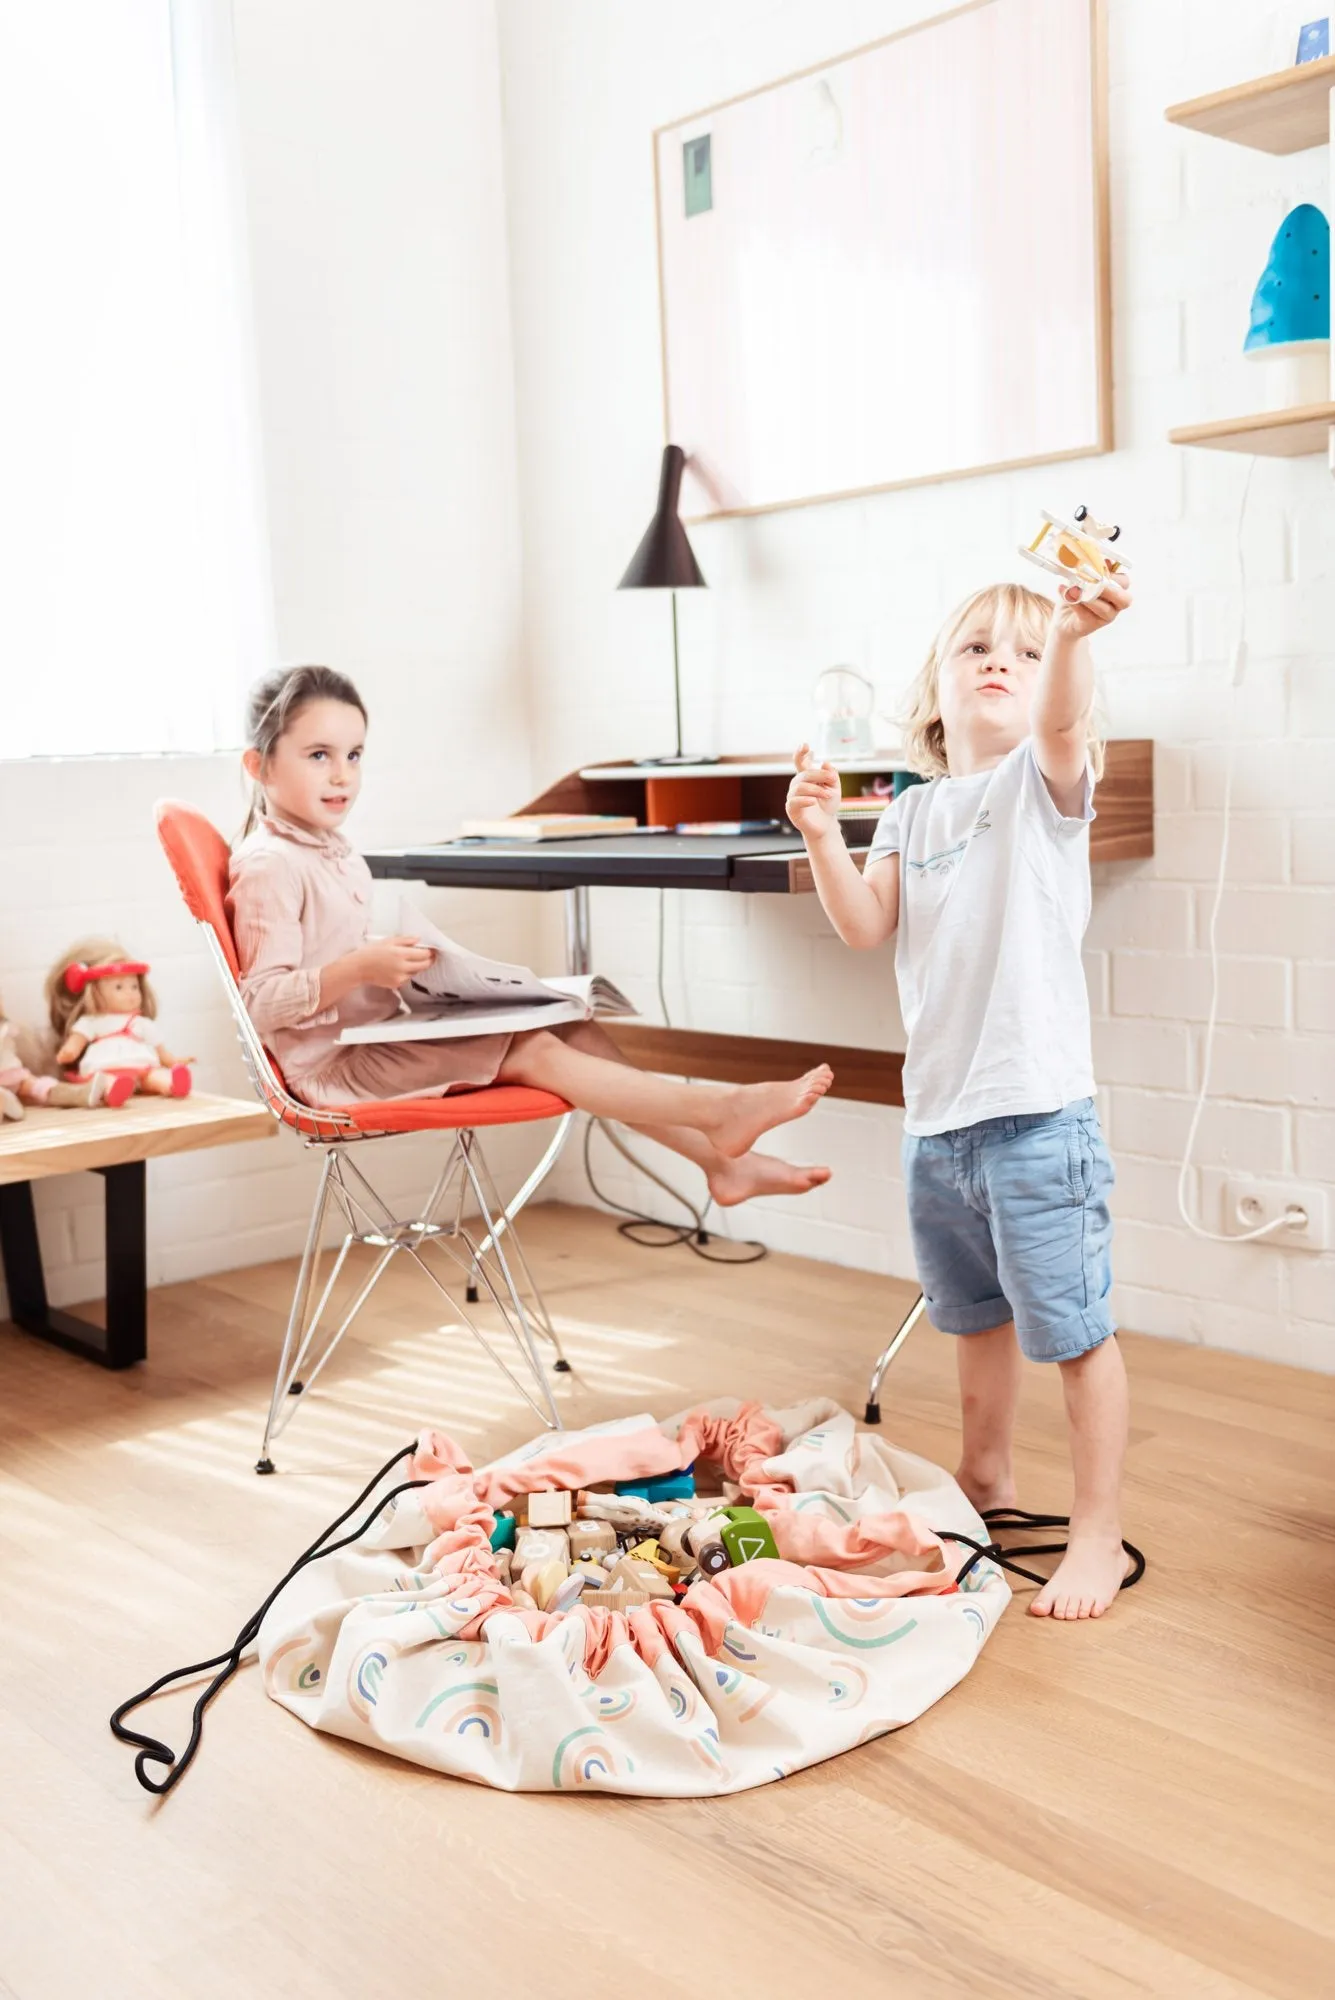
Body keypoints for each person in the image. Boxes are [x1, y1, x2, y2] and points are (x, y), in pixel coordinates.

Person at [787, 576, 1132, 1619]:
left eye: (1022, 655)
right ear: (935, 694)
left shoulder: (1042, 781)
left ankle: (1099, 1531)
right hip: (938, 1125)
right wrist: (819, 832)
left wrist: (1068, 633)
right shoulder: (911, 808)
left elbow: (1063, 714)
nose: (1000, 663)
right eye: (975, 647)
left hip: (1037, 1117)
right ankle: (985, 1483)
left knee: (1072, 1330)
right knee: (973, 1320)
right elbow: (863, 924)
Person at [227, 664, 832, 1210]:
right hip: (334, 1071)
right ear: (259, 765)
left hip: (376, 1036)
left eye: (354, 755)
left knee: (569, 1022)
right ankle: (721, 1114)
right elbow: (259, 1004)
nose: (342, 776)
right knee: (534, 1050)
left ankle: (722, 1164)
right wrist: (360, 968)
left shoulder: (331, 851)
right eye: (317, 756)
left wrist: (404, 964)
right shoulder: (270, 865)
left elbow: (328, 950)